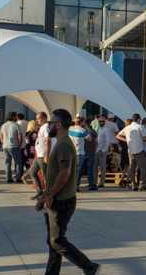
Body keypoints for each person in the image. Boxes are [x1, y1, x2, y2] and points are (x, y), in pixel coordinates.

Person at [36, 109, 99, 275]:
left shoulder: (63, 144)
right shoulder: (60, 142)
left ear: (58, 125)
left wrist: (50, 195)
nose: (48, 126)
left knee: (56, 241)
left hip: (62, 201)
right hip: (57, 198)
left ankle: (88, 266)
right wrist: (44, 196)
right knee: (53, 242)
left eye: (50, 123)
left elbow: (64, 173)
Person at [116, 114, 146, 191]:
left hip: (130, 151)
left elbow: (118, 136)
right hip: (139, 150)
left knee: (132, 168)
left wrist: (126, 140)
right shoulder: (140, 127)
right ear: (138, 119)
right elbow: (145, 138)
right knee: (144, 168)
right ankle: (142, 185)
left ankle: (133, 185)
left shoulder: (127, 127)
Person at [23, 112, 50, 199]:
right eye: (37, 118)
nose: (37, 120)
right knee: (32, 172)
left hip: (42, 155)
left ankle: (48, 194)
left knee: (45, 176)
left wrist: (46, 155)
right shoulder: (42, 127)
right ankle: (40, 192)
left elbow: (48, 140)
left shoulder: (46, 127)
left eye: (39, 118)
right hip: (39, 155)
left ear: (44, 118)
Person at [69, 116, 95, 192]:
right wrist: (86, 128)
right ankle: (76, 186)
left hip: (71, 152)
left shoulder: (70, 129)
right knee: (77, 171)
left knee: (71, 170)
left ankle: (70, 186)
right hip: (79, 153)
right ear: (82, 122)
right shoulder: (83, 130)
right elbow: (90, 139)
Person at [95, 114, 118, 188]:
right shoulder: (99, 129)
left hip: (102, 151)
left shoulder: (106, 129)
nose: (101, 122)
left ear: (104, 122)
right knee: (96, 167)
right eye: (99, 121)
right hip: (97, 150)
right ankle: (95, 182)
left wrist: (104, 150)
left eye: (102, 121)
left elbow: (108, 141)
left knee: (102, 167)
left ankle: (101, 182)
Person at [0, 112, 22, 183]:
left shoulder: (3, 125)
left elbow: (1, 136)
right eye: (15, 116)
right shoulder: (16, 125)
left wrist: (3, 143)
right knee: (18, 162)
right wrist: (19, 145)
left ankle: (8, 178)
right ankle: (18, 178)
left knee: (7, 163)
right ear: (13, 117)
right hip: (14, 146)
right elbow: (19, 136)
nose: (16, 117)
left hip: (5, 146)